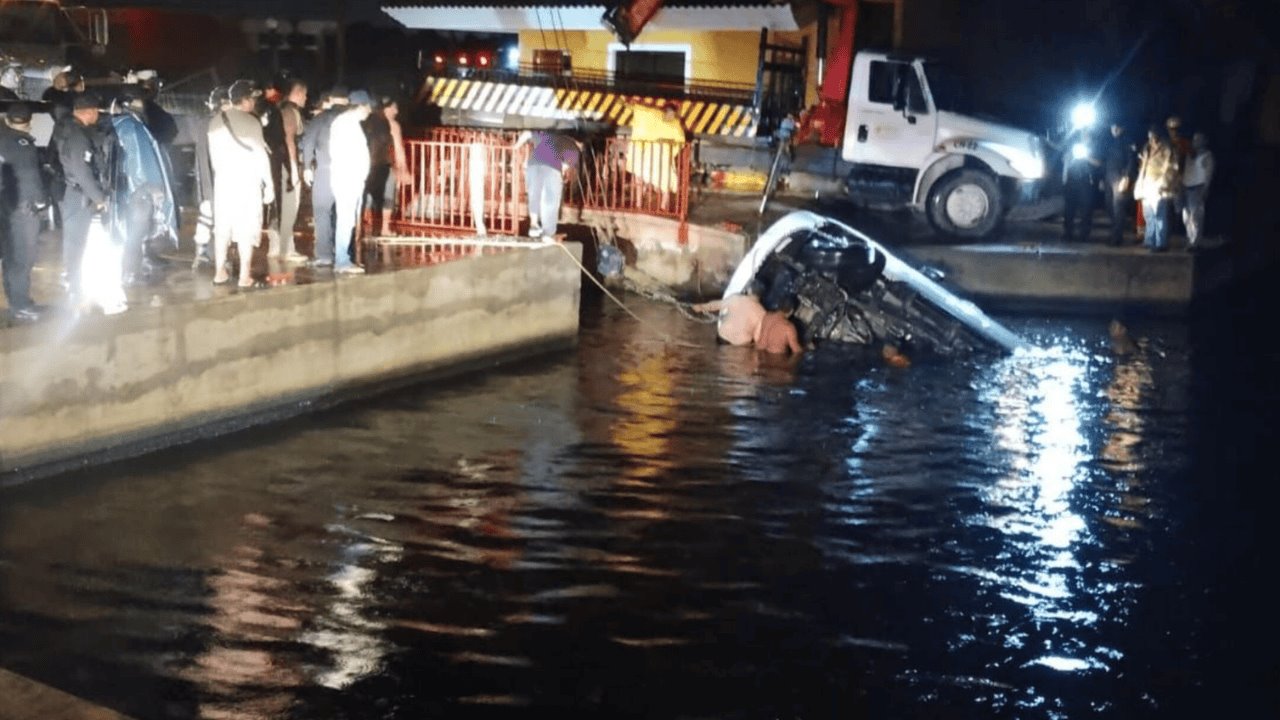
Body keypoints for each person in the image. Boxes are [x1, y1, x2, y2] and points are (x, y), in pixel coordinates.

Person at [207, 79, 273, 288]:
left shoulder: (215, 122)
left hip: (223, 183)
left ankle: (219, 272)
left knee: (222, 228)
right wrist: (269, 185)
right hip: (247, 183)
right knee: (246, 228)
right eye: (251, 99)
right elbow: (261, 156)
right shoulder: (251, 122)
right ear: (243, 100)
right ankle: (244, 276)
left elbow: (213, 159)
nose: (253, 103)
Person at [111, 86, 180, 286]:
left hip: (127, 189)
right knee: (136, 232)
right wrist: (151, 187)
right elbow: (140, 160)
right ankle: (130, 273)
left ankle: (133, 269)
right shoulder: (132, 127)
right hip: (139, 191)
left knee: (136, 231)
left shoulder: (120, 124)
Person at [52, 93, 110, 299]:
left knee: (75, 239)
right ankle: (73, 282)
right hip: (79, 194)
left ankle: (73, 279)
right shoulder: (78, 136)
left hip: (75, 191)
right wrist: (99, 198)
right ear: (90, 112)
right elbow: (81, 170)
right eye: (97, 112)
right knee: (76, 240)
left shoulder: (67, 128)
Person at [0, 103, 48, 323]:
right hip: (23, 207)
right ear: (30, 123)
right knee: (23, 257)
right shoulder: (23, 144)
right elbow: (30, 177)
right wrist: (40, 202)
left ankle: (14, 300)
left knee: (10, 255)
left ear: (7, 120)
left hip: (5, 206)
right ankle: (21, 305)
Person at [300, 87, 349, 268]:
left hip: (325, 171)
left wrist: (307, 167)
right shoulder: (352, 119)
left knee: (322, 212)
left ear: (331, 99)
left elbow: (308, 143)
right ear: (347, 100)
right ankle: (345, 253)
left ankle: (324, 254)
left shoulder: (320, 119)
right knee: (346, 214)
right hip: (348, 173)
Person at [327, 89, 374, 274]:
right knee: (346, 220)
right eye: (368, 106)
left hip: (347, 178)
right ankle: (342, 261)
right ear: (361, 106)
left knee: (346, 219)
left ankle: (343, 258)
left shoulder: (345, 122)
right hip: (348, 179)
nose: (370, 110)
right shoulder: (348, 124)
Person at [515, 128, 580, 238]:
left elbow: (527, 133)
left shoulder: (545, 135)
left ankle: (534, 226)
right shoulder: (573, 147)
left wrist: (516, 146)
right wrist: (561, 173)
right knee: (550, 199)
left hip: (533, 165)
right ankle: (548, 232)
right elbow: (565, 166)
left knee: (534, 195)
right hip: (552, 168)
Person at [362, 96, 410, 237]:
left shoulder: (367, 122)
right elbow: (399, 149)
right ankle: (384, 228)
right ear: (385, 108)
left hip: (368, 165)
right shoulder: (393, 126)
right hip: (384, 165)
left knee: (367, 196)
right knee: (387, 196)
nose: (396, 111)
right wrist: (403, 169)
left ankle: (363, 228)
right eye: (393, 107)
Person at [274, 78, 308, 262]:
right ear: (297, 93)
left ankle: (275, 247)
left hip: (278, 163)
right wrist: (294, 169)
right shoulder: (291, 112)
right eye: (304, 94)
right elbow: (289, 141)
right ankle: (287, 249)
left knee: (278, 207)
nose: (306, 98)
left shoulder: (278, 109)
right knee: (290, 206)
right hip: (287, 165)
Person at [1134, 125, 1179, 252]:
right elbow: (1142, 167)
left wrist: (1163, 183)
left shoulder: (1167, 148)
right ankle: (1149, 240)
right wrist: (1141, 183)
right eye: (1150, 137)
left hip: (1160, 185)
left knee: (1160, 215)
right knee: (1148, 215)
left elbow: (1172, 168)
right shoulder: (1146, 147)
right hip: (1146, 183)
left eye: (1155, 137)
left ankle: (1161, 243)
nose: (1152, 140)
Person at [1102, 123, 1137, 246]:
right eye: (1113, 128)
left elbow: (1131, 160)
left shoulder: (1128, 141)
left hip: (1120, 178)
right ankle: (1114, 233)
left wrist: (1126, 177)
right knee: (1109, 206)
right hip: (1109, 177)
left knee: (1118, 208)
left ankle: (1117, 238)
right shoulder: (1109, 142)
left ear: (1122, 128)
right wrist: (1102, 178)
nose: (1114, 130)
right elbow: (1105, 161)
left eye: (1117, 127)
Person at [1062, 129, 1100, 242]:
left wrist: (1086, 157)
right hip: (1072, 180)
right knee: (1069, 209)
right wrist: (1067, 159)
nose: (1084, 136)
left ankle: (1084, 234)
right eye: (1083, 134)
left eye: (1086, 134)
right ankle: (1068, 233)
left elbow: (1099, 163)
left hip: (1086, 181)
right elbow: (1065, 160)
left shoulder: (1094, 147)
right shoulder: (1074, 146)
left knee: (1086, 209)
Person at [1181, 132, 1214, 249]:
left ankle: (1195, 242)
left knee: (1196, 216)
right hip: (1186, 187)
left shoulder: (1207, 155)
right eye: (1194, 139)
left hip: (1198, 187)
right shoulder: (1189, 154)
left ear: (1204, 141)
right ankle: (1190, 239)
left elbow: (1209, 173)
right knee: (1186, 216)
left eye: (1199, 139)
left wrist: (1205, 188)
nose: (1195, 142)